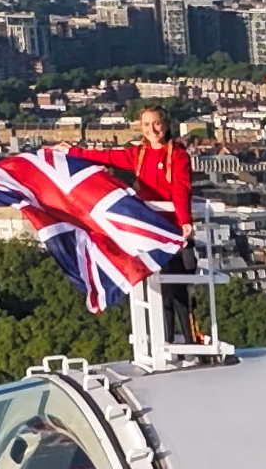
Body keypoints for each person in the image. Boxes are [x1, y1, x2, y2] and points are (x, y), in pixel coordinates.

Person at [71, 104, 198, 337]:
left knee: (178, 286)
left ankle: (190, 341)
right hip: (149, 231)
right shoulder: (138, 154)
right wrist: (71, 153)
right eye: (147, 124)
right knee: (161, 290)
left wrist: (184, 221)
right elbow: (106, 156)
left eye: (156, 123)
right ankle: (167, 341)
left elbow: (181, 190)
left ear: (166, 123)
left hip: (172, 231)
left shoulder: (178, 155)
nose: (152, 129)